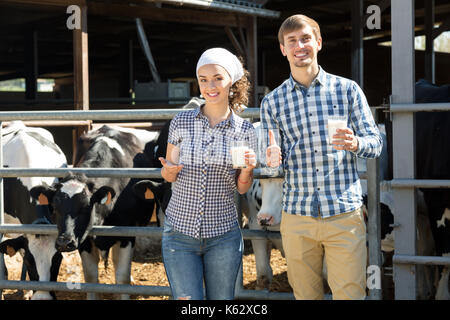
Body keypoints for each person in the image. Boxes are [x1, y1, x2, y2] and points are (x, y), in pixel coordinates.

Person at [261, 14, 383, 300]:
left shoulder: (348, 90)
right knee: (305, 295)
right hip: (297, 216)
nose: (299, 46)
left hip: (343, 213)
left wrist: (355, 143)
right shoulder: (272, 102)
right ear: (283, 49)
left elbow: (375, 144)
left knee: (350, 295)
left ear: (318, 43)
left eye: (305, 38)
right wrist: (271, 162)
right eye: (291, 41)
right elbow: (270, 166)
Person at [159, 47, 257, 300]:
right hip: (179, 234)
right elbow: (169, 175)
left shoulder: (244, 130)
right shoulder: (181, 122)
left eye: (217, 78)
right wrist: (168, 171)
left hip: (223, 236)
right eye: (203, 80)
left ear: (232, 83)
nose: (210, 86)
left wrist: (247, 169)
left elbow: (242, 188)